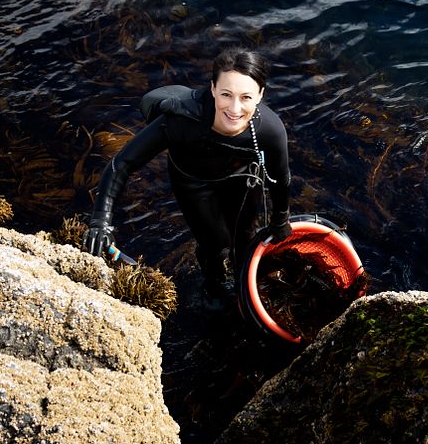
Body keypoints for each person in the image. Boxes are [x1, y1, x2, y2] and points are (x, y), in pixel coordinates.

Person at [83, 47, 292, 305]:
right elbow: (123, 163)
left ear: (260, 95)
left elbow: (281, 178)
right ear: (213, 88)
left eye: (246, 97)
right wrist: (101, 221)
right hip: (194, 183)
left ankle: (244, 281)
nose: (235, 109)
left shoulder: (270, 130)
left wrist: (281, 218)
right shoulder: (181, 119)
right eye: (226, 94)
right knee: (216, 244)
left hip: (241, 179)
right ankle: (214, 284)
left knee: (245, 239)